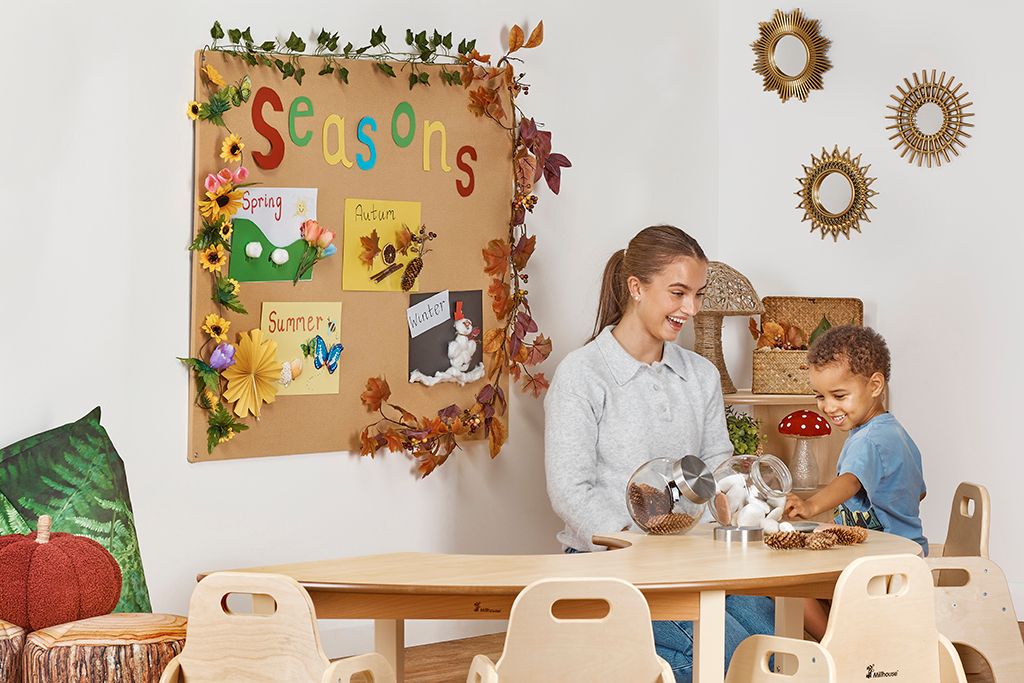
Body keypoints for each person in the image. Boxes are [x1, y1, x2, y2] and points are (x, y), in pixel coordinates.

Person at [544, 225, 774, 682]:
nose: (691, 309)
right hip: (608, 565)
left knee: (770, 638)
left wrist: (742, 502)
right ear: (636, 287)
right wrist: (636, 547)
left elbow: (717, 465)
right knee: (728, 651)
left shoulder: (700, 375)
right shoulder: (583, 375)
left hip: (690, 559)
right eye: (678, 293)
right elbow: (570, 489)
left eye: (698, 294)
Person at [784, 325, 927, 639]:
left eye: (839, 395)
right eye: (820, 396)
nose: (827, 406)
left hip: (883, 565)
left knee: (787, 585)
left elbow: (849, 482)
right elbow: (918, 493)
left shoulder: (868, 441)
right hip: (905, 554)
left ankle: (838, 648)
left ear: (875, 385)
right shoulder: (894, 433)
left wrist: (810, 506)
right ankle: (849, 641)